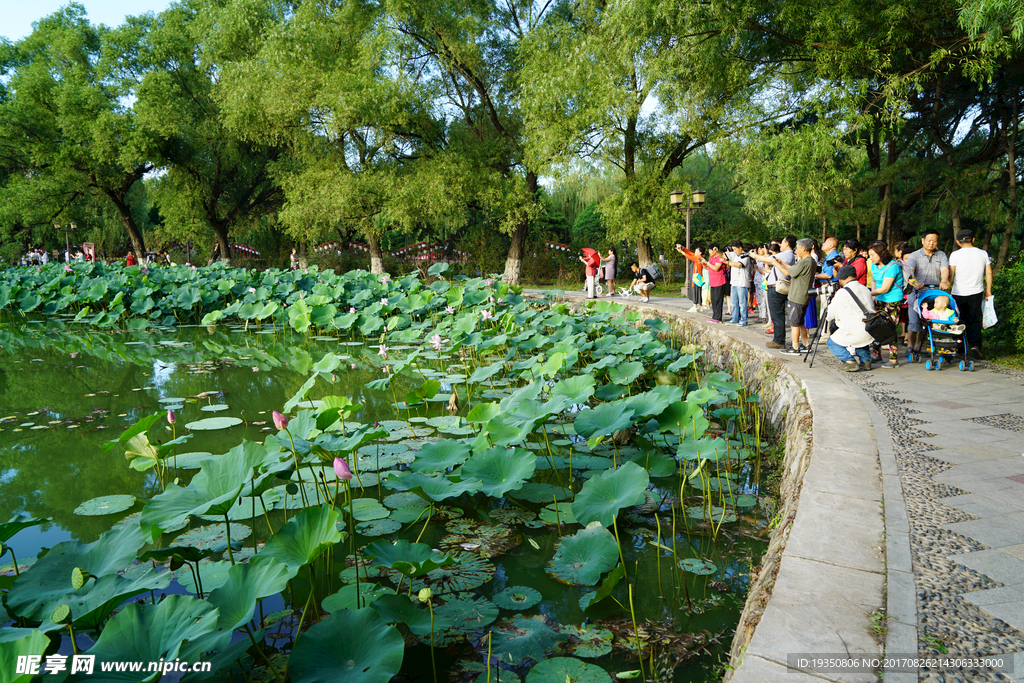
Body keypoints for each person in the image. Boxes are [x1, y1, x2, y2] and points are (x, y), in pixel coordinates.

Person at [947, 229, 993, 358]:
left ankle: (960, 347)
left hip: (958, 292)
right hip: (976, 292)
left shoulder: (955, 255)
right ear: (973, 239)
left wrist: (947, 286)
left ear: (958, 241)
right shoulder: (983, 253)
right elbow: (988, 272)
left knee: (958, 319)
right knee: (975, 320)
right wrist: (988, 289)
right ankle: (975, 346)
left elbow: (951, 274)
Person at [905, 229, 951, 355]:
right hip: (918, 291)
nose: (931, 243)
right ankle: (910, 346)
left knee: (928, 320)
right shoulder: (914, 255)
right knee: (914, 321)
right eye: (929, 240)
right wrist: (915, 283)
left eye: (934, 240)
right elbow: (910, 271)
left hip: (935, 292)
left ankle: (919, 346)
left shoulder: (941, 254)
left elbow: (944, 270)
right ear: (923, 240)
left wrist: (944, 280)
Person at [825, 264, 876, 371]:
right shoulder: (865, 289)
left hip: (854, 332)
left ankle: (850, 361)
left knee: (831, 342)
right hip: (870, 329)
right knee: (861, 338)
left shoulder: (842, 292)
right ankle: (866, 361)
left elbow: (830, 315)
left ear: (844, 278)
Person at [770, 238, 816, 355]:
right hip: (804, 296)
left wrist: (776, 264)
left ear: (803, 249)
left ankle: (795, 347)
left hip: (797, 296)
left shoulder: (804, 261)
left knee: (793, 323)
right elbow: (793, 269)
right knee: (800, 322)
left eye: (797, 248)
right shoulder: (810, 261)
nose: (796, 250)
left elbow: (787, 273)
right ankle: (806, 345)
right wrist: (781, 262)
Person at [752, 235, 796, 349]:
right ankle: (778, 339)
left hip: (776, 287)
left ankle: (779, 340)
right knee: (777, 314)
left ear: (787, 244)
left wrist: (753, 255)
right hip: (776, 286)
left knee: (777, 314)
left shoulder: (786, 254)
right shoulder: (788, 254)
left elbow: (766, 259)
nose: (780, 244)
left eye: (782, 242)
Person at [867, 241, 905, 369]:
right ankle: (876, 354)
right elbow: (873, 280)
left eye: (872, 255)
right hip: (879, 300)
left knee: (890, 328)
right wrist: (873, 296)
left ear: (880, 254)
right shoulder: (874, 265)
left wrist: (867, 293)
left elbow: (885, 288)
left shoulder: (892, 266)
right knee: (876, 326)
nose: (870, 258)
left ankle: (893, 360)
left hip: (892, 301)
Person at [725, 240, 751, 325]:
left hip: (742, 283)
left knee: (742, 303)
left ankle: (744, 320)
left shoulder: (746, 256)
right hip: (734, 283)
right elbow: (723, 255)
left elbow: (739, 264)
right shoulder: (733, 254)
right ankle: (734, 319)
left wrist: (728, 263)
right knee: (733, 302)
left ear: (740, 248)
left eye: (736, 249)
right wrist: (715, 251)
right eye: (733, 249)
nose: (734, 251)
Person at [701, 244, 728, 322]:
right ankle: (714, 316)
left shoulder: (720, 257)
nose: (709, 252)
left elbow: (716, 268)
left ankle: (718, 317)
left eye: (710, 250)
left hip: (719, 281)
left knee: (718, 300)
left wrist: (707, 263)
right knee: (713, 300)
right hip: (712, 281)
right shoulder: (711, 258)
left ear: (714, 250)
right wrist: (703, 263)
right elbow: (708, 268)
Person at [675, 243, 704, 310]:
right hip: (698, 278)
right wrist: (682, 247)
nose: (695, 251)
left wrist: (681, 252)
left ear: (700, 252)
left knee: (695, 291)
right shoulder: (697, 257)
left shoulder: (698, 258)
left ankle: (695, 306)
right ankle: (700, 306)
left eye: (697, 251)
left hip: (696, 278)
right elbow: (689, 253)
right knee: (698, 291)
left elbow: (688, 256)